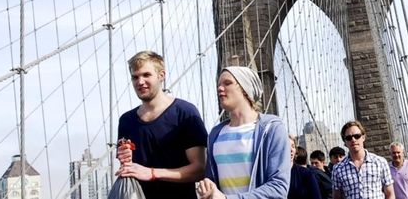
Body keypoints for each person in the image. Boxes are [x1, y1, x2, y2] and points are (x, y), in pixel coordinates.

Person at [115, 51, 207, 199]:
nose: (140, 82)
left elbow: (199, 169)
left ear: (161, 75)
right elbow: (130, 169)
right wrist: (125, 161)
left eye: (146, 75)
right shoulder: (126, 121)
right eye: (135, 77)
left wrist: (151, 173)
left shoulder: (185, 113)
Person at [196, 66, 291, 199]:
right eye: (218, 84)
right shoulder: (215, 134)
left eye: (227, 83)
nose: (219, 88)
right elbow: (212, 181)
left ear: (245, 89)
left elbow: (279, 187)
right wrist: (207, 188)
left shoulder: (272, 129)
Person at [331, 121, 394, 199]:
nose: (353, 140)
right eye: (348, 138)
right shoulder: (338, 169)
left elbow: (390, 194)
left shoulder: (380, 162)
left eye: (357, 136)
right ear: (345, 142)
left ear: (363, 137)